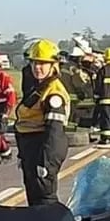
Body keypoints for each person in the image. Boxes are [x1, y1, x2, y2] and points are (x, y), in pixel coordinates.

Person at [13, 39, 71, 206]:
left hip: (43, 150)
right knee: (33, 197)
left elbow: (54, 134)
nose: (37, 67)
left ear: (53, 65)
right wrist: (23, 155)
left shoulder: (54, 94)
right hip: (31, 150)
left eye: (43, 64)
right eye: (34, 63)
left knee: (45, 198)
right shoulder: (40, 88)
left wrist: (46, 164)